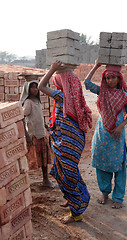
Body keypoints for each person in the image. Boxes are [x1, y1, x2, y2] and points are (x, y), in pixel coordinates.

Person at [38, 60, 92, 224]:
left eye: (58, 82)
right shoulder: (77, 99)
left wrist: (53, 69)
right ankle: (72, 199)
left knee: (67, 174)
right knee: (69, 170)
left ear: (64, 84)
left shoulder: (62, 97)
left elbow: (41, 86)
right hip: (71, 142)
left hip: (65, 143)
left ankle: (76, 212)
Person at [84, 60, 127, 209]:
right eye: (107, 78)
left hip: (117, 136)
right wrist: (96, 66)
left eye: (113, 77)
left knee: (119, 167)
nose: (110, 80)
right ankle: (104, 192)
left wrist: (121, 126)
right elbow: (87, 83)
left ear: (119, 78)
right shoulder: (102, 91)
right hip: (102, 135)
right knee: (102, 164)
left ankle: (118, 197)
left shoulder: (124, 95)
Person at [20, 80, 55, 188]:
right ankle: (25, 182)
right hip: (33, 135)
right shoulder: (28, 102)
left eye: (36, 87)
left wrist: (46, 126)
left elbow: (38, 117)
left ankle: (46, 180)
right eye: (32, 87)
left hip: (41, 133)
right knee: (32, 159)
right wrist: (26, 135)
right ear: (27, 89)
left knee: (44, 159)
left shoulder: (37, 101)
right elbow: (22, 117)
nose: (35, 89)